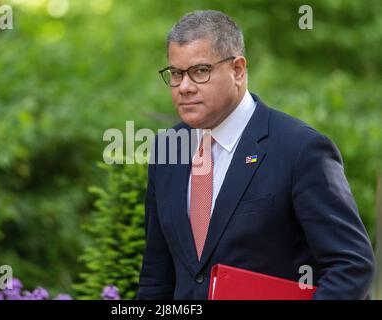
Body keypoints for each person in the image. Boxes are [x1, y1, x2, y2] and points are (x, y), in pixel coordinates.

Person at [136, 10, 375, 300]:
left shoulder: (301, 150)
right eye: (176, 74)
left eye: (200, 71)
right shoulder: (167, 149)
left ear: (238, 70)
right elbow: (156, 278)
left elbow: (351, 266)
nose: (184, 87)